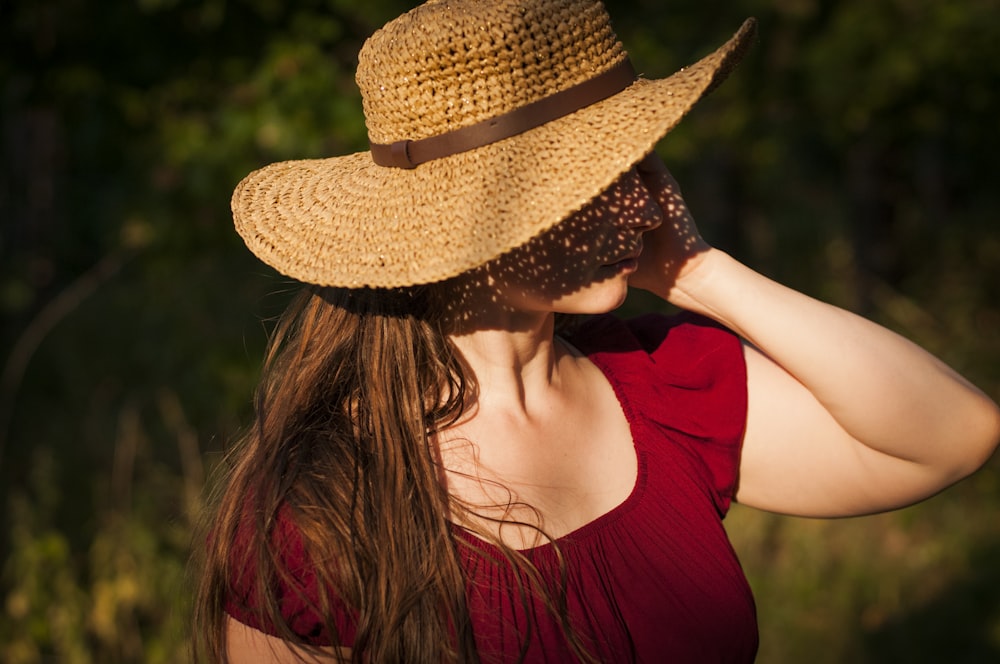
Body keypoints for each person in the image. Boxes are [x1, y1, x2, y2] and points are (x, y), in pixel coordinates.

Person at [193, 1, 1000, 662]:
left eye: (633, 167)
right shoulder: (320, 508)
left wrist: (703, 274)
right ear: (455, 228)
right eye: (584, 182)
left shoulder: (661, 387)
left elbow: (953, 435)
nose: (645, 206)